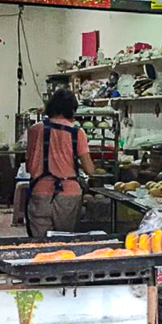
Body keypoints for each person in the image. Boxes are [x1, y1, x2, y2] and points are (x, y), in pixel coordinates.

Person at [26, 88, 96, 237]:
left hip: (40, 191)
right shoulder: (78, 133)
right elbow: (89, 170)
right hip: (69, 194)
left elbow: (28, 166)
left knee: (39, 244)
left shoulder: (35, 130)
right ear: (72, 110)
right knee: (64, 243)